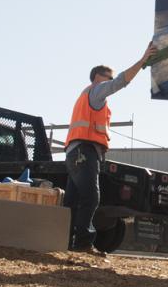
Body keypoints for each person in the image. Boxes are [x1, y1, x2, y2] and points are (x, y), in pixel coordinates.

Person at [66, 42, 156, 252]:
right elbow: (120, 82)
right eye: (109, 77)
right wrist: (142, 61)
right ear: (98, 77)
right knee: (91, 197)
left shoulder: (87, 96)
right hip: (84, 151)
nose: (111, 81)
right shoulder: (96, 91)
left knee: (73, 200)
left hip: (75, 152)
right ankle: (83, 243)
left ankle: (66, 240)